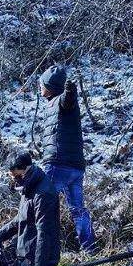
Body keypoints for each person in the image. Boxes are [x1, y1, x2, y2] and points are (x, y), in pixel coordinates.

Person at [40, 65, 96, 252]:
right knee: (78, 210)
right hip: (75, 168)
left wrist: (70, 90)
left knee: (41, 206)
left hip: (58, 165)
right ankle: (90, 249)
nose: (40, 87)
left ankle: (39, 252)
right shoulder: (53, 103)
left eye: (42, 84)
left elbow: (68, 100)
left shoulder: (62, 101)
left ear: (50, 87)